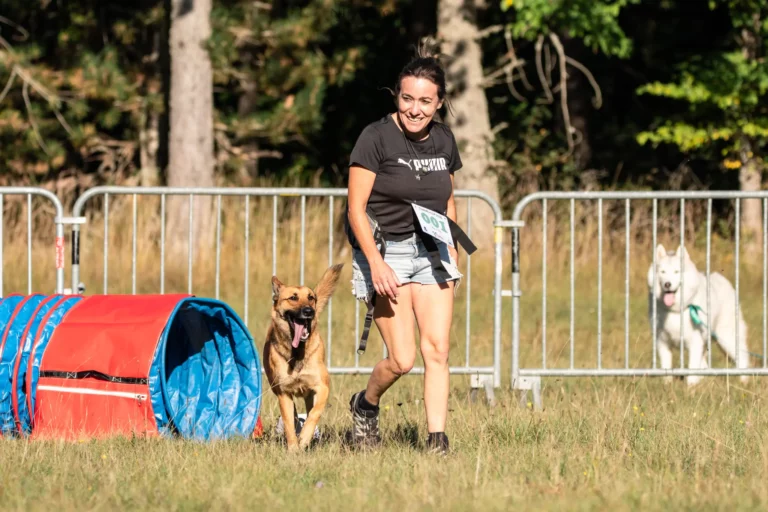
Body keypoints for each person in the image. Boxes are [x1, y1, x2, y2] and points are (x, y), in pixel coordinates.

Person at [344, 41, 475, 455]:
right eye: (407, 99)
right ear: (397, 97)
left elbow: (448, 201)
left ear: (439, 103)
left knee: (437, 349)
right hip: (387, 253)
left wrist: (452, 249)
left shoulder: (444, 140)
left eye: (425, 101)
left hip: (433, 252)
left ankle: (437, 442)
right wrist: (375, 263)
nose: (414, 109)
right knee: (402, 360)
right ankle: (365, 404)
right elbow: (355, 209)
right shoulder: (376, 138)